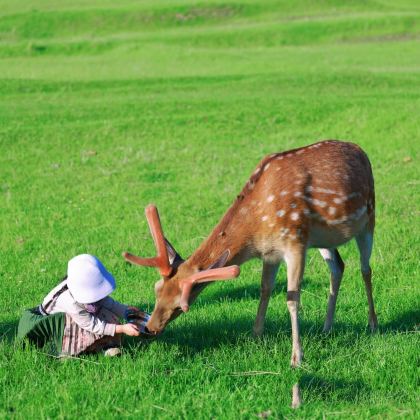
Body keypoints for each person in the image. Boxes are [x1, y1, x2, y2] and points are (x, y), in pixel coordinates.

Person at [18, 254, 148, 358]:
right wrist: (121, 328)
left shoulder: (84, 291)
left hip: (76, 317)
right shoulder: (70, 301)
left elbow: (108, 303)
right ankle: (71, 352)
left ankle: (107, 345)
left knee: (106, 313)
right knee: (82, 328)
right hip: (49, 327)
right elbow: (92, 324)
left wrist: (127, 311)